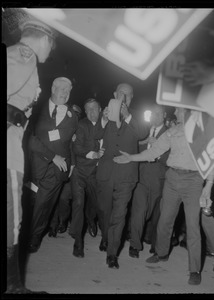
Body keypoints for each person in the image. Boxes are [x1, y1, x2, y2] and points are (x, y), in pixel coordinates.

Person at [114, 107, 214, 285]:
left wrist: (209, 186)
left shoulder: (202, 132)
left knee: (193, 226)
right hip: (172, 178)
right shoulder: (172, 132)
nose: (175, 113)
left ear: (188, 112)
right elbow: (153, 152)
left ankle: (194, 269)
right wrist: (131, 157)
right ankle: (161, 253)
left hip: (193, 181)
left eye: (178, 110)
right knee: (164, 221)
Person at [6, 19, 56, 294]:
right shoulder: (24, 57)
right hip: (7, 153)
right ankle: (12, 286)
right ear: (44, 39)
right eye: (53, 44)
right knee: (11, 220)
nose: (52, 51)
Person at [95, 83, 148, 268]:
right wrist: (102, 119)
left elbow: (142, 133)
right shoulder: (105, 112)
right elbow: (95, 134)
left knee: (119, 214)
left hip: (126, 174)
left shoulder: (137, 116)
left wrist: (127, 117)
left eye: (128, 95)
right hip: (106, 172)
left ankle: (112, 254)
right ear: (114, 94)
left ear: (132, 98)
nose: (124, 97)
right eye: (121, 93)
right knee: (103, 210)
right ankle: (105, 236)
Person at [27, 77, 78, 253]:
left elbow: (70, 143)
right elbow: (30, 139)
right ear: (53, 88)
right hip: (33, 166)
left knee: (43, 205)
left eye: (68, 91)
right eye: (62, 89)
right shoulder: (35, 109)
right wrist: (52, 156)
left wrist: (72, 164)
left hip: (57, 169)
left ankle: (32, 238)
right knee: (30, 204)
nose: (65, 93)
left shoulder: (73, 115)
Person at [129, 104, 169, 258]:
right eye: (153, 114)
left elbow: (171, 157)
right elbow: (133, 146)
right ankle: (134, 244)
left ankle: (155, 243)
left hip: (159, 178)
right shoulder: (143, 130)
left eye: (159, 114)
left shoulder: (169, 133)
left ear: (164, 116)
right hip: (141, 176)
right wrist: (145, 142)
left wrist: (156, 151)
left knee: (155, 214)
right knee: (139, 211)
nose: (155, 117)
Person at [69, 98, 104, 258]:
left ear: (100, 109)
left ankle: (91, 219)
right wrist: (94, 154)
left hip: (97, 173)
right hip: (81, 172)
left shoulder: (108, 124)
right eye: (88, 109)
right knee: (78, 203)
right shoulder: (82, 124)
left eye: (94, 109)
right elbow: (77, 147)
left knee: (97, 204)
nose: (91, 112)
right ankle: (78, 242)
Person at [48, 104, 82, 236]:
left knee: (63, 198)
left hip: (73, 169)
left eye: (76, 114)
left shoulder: (79, 130)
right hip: (57, 165)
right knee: (53, 197)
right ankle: (52, 225)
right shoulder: (58, 126)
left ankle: (63, 221)